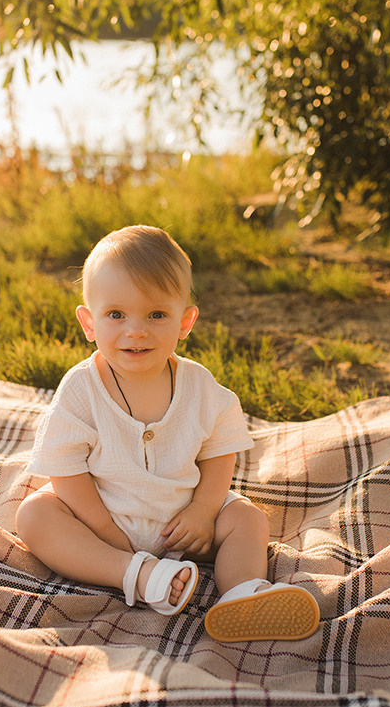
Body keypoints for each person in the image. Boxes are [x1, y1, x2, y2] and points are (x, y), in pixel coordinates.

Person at [16, 225, 320, 642]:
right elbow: (64, 470)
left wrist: (203, 511)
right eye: (116, 314)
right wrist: (106, 531)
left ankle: (244, 593)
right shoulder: (81, 389)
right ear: (89, 322)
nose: (136, 330)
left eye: (156, 314)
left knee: (247, 519)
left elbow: (220, 450)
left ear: (185, 321)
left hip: (183, 523)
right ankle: (136, 574)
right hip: (104, 521)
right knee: (35, 515)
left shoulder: (198, 386)